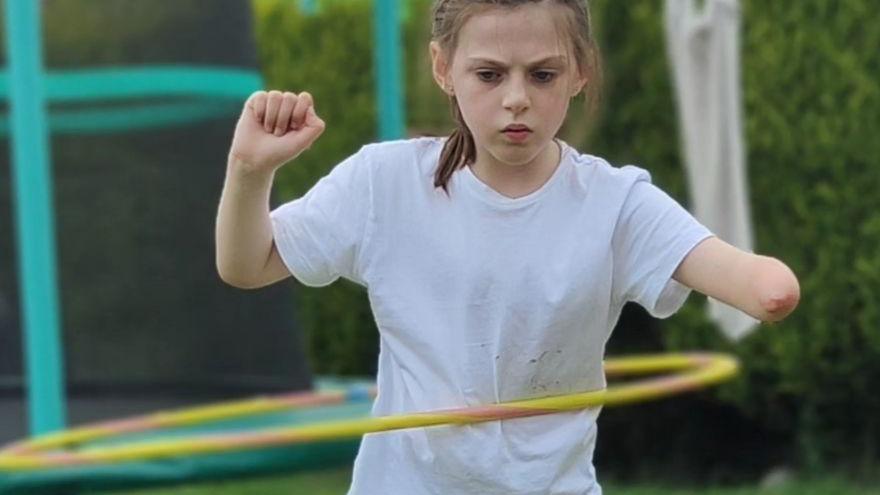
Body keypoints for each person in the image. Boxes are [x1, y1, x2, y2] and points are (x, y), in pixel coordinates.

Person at [215, 0, 800, 493]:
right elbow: (247, 264)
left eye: (542, 75)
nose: (516, 98)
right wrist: (247, 171)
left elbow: (760, 286)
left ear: (580, 72)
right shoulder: (382, 184)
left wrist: (769, 287)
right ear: (443, 68)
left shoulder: (616, 204)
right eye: (489, 75)